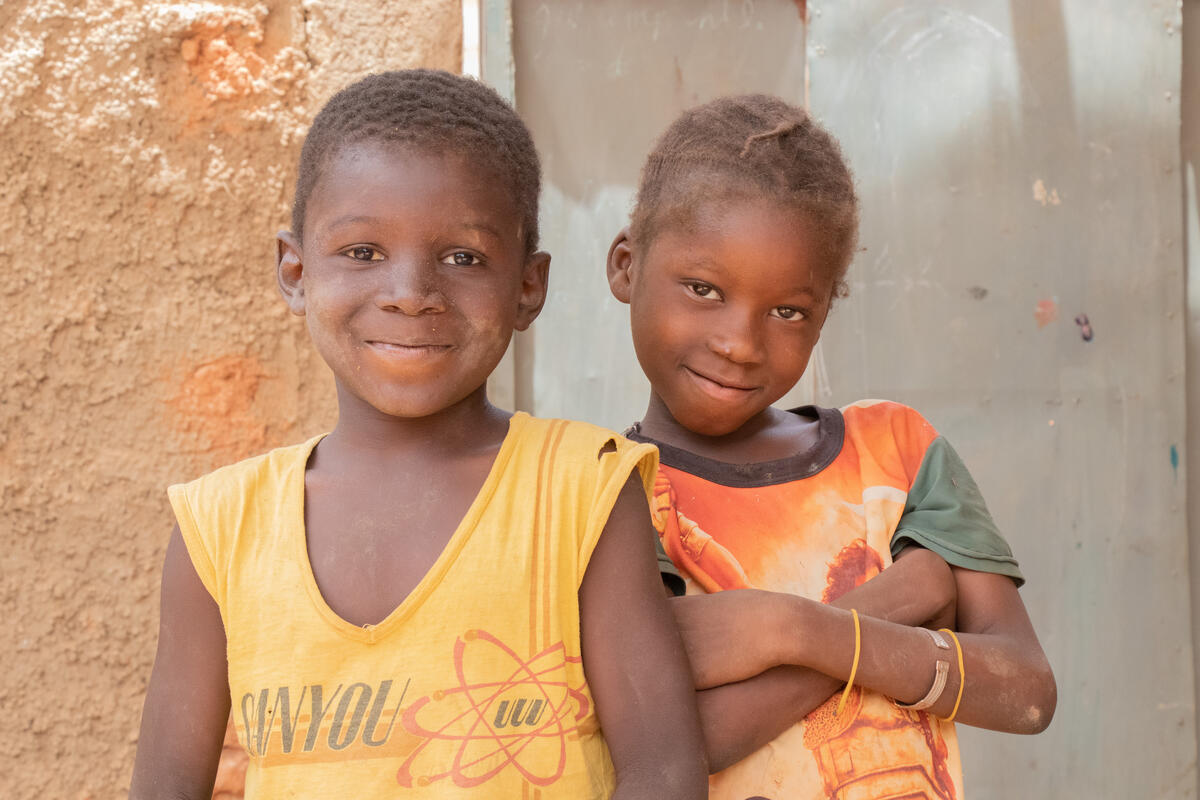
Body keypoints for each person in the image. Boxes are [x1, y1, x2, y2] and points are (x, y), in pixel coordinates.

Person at [129, 69, 707, 800]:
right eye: (364, 252)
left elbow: (662, 770)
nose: (410, 293)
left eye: (463, 258)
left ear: (528, 286)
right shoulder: (220, 528)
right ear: (295, 271)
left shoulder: (581, 491)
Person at [606, 95, 1057, 799]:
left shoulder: (896, 454)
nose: (740, 343)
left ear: (825, 311)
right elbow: (683, 742)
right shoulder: (611, 491)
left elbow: (1026, 690)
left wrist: (787, 630)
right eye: (703, 289)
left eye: (787, 311)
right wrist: (892, 606)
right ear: (626, 266)